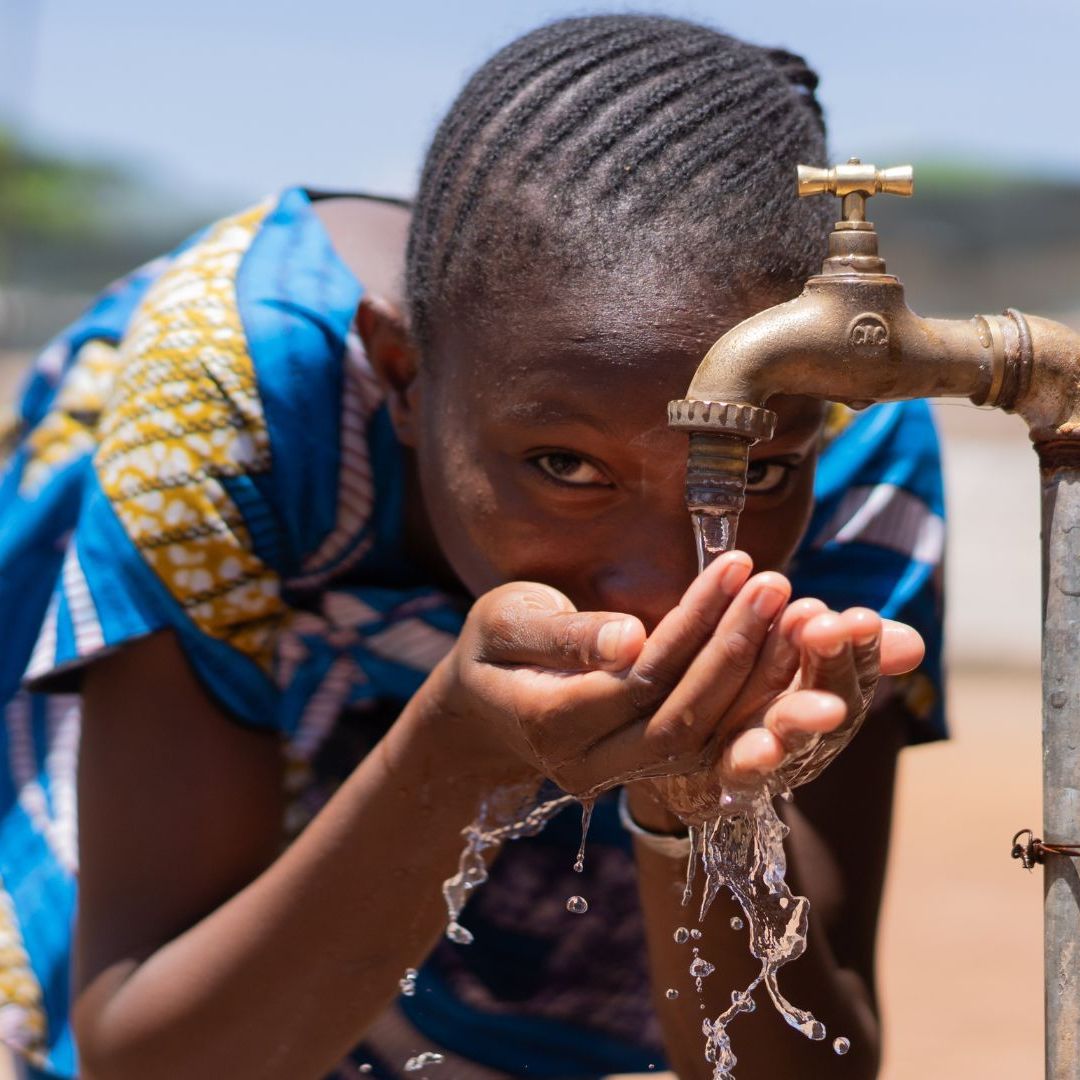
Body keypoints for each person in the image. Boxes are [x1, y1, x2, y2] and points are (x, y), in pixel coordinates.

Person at [0, 14, 944, 1080]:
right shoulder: (232, 389)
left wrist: (697, 811)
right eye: (566, 467)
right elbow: (147, 1052)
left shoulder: (847, 418)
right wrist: (454, 749)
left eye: (758, 475)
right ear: (401, 376)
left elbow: (814, 1060)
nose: (664, 596)